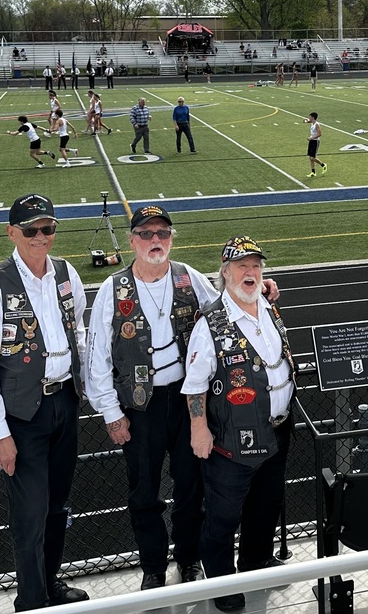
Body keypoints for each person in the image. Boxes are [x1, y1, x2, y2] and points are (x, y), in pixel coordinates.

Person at [85, 206, 280, 590]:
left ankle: (188, 559)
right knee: (144, 491)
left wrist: (263, 284)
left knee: (192, 487)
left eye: (162, 233)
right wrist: (110, 411)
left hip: (189, 398)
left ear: (171, 238)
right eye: (146, 234)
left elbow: (227, 303)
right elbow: (97, 356)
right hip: (139, 407)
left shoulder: (189, 277)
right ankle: (153, 567)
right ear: (132, 241)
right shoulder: (113, 288)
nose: (155, 240)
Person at [0, 194, 89, 614]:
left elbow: (80, 329)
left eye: (48, 228)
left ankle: (50, 584)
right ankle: (30, 608)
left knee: (57, 507)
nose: (42, 237)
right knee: (30, 515)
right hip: (23, 415)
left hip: (63, 403)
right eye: (32, 229)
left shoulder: (66, 273)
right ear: (12, 232)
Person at [182, 235, 294, 612]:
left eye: (256, 265)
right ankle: (220, 580)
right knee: (224, 513)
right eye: (242, 265)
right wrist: (199, 428)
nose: (251, 271)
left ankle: (255, 561)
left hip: (277, 429)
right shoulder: (210, 324)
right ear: (225, 273)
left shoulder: (267, 304)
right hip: (232, 440)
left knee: (266, 504)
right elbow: (195, 384)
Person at [305, 111, 327, 178]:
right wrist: (305, 121)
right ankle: (313, 172)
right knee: (310, 158)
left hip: (315, 141)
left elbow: (319, 134)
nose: (309, 118)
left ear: (313, 117)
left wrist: (311, 138)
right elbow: (308, 121)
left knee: (313, 157)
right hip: (311, 141)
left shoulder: (317, 124)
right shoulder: (312, 123)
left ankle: (323, 165)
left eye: (310, 117)